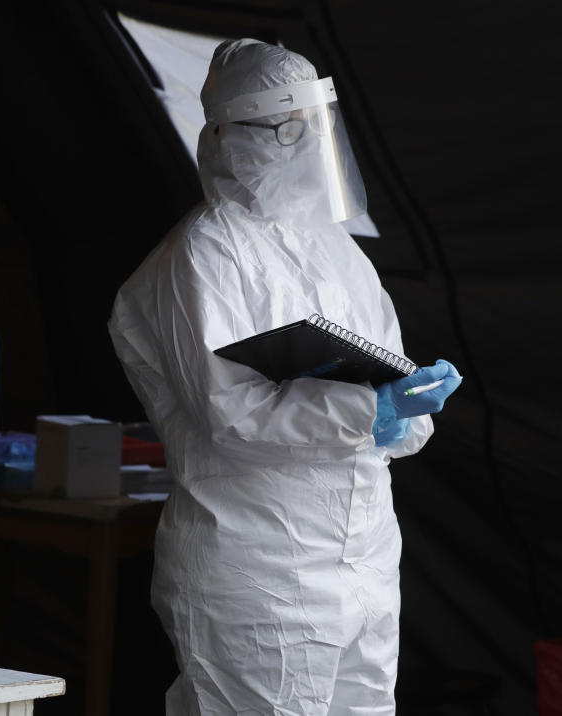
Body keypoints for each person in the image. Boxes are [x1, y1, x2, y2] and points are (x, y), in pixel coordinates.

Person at [108, 38, 462, 715]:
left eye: (313, 128)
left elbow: (389, 392)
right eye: (285, 130)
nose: (303, 148)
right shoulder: (202, 256)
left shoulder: (340, 253)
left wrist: (410, 408)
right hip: (258, 571)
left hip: (362, 564)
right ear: (231, 138)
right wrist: (370, 413)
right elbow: (232, 418)